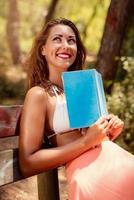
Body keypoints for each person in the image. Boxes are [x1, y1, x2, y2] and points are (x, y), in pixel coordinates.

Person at [19, 18, 134, 200]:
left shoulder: (81, 89)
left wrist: (108, 131)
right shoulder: (39, 94)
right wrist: (87, 141)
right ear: (43, 49)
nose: (66, 45)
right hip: (88, 172)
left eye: (71, 41)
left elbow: (91, 138)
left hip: (113, 159)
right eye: (57, 39)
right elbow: (28, 164)